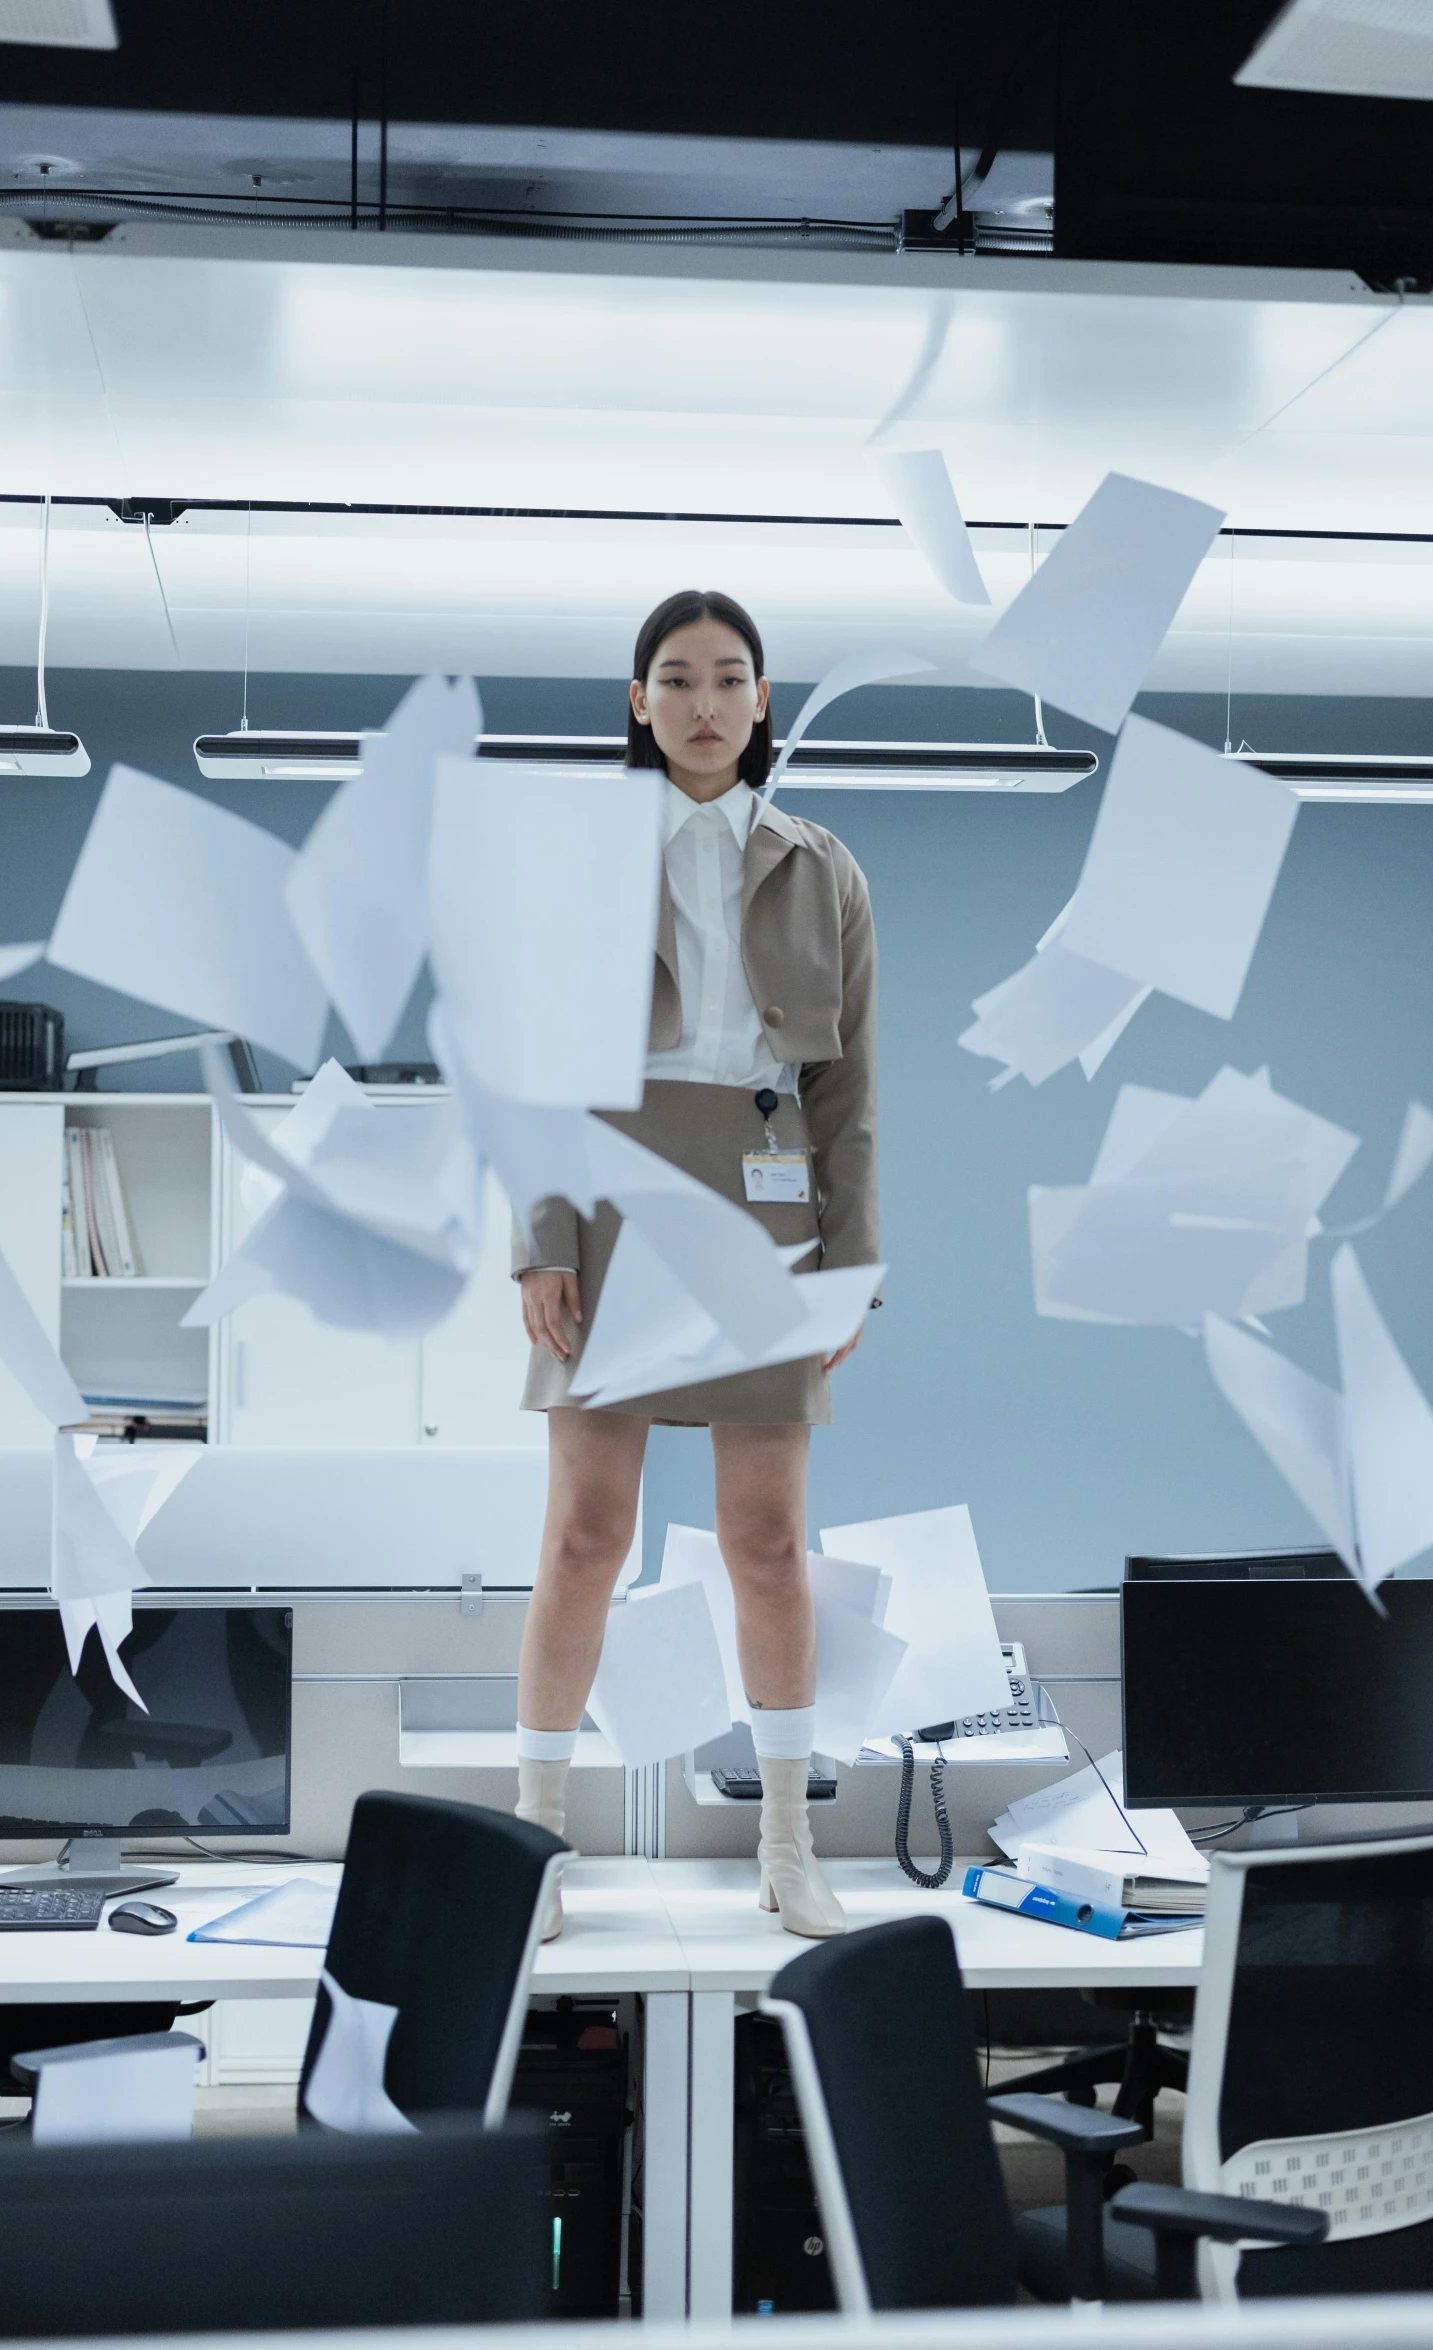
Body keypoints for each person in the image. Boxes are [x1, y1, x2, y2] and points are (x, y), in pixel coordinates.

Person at [511, 588, 880, 1939]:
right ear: (637, 702)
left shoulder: (823, 864)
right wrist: (538, 1240)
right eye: (676, 678)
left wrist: (857, 1256)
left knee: (766, 1541)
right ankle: (536, 1843)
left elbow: (850, 1088)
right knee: (583, 1533)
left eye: (730, 678)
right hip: (609, 1187)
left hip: (765, 1199)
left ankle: (788, 1845)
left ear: (763, 700)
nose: (705, 703)